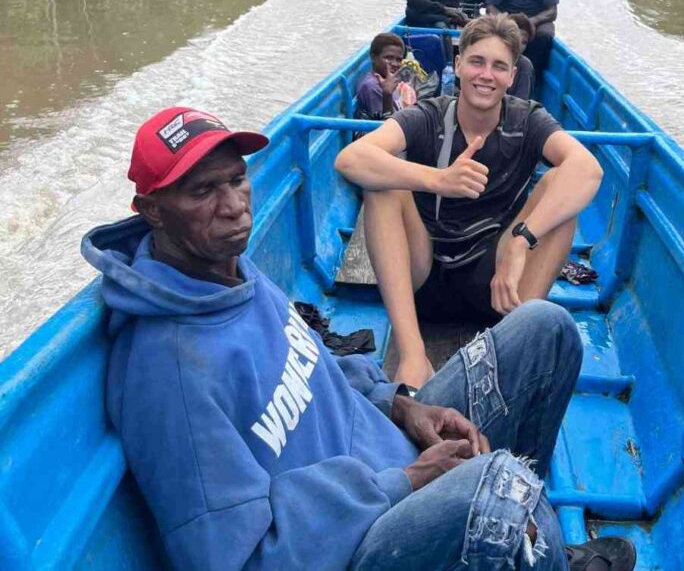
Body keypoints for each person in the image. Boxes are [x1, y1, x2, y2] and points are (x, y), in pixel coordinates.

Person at [81, 105, 635, 571]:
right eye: (203, 192)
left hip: (390, 454)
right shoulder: (170, 370)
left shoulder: (233, 275)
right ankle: (536, 545)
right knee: (498, 483)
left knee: (547, 330)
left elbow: (319, 366)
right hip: (359, 540)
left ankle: (539, 549)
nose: (233, 205)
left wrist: (399, 406)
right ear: (152, 211)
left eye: (236, 178)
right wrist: (406, 481)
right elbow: (242, 558)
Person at [335, 14, 603, 391]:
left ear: (513, 75)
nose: (486, 75)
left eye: (499, 66)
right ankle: (413, 355)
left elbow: (588, 170)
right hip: (424, 277)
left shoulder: (528, 120)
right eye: (476, 61)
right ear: (458, 64)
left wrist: (520, 241)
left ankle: (516, 339)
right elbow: (351, 160)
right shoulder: (428, 116)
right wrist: (438, 179)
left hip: (497, 286)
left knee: (563, 193)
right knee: (383, 183)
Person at [355, 33, 416, 120]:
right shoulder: (373, 87)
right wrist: (387, 94)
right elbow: (387, 127)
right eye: (388, 58)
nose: (395, 64)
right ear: (373, 57)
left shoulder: (388, 81)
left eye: (398, 60)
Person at [508, 12, 536, 100]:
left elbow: (520, 103)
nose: (519, 46)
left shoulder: (524, 66)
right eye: (515, 39)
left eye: (524, 43)